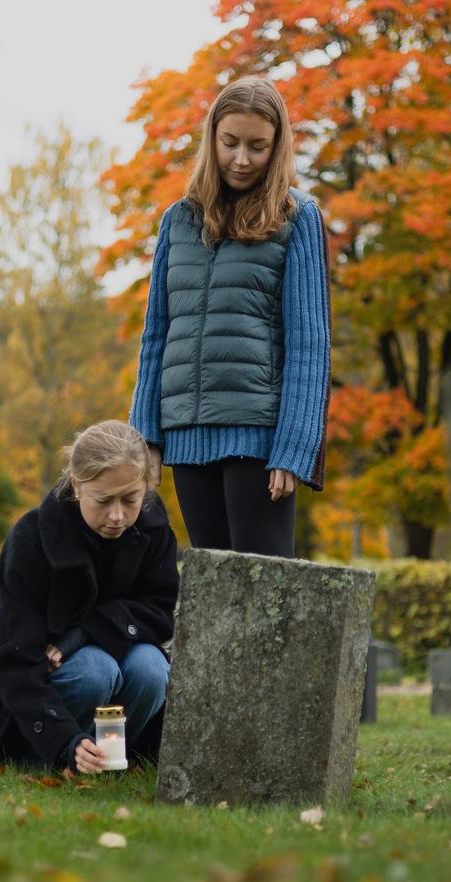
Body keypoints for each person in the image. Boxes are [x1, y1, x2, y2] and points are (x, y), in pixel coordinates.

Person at [128, 75, 331, 559]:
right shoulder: (178, 220)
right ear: (212, 139)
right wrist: (144, 435)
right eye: (230, 143)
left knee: (263, 591)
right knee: (211, 586)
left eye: (257, 147)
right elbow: (156, 335)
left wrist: (294, 448)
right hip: (186, 435)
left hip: (259, 440)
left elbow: (309, 344)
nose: (242, 158)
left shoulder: (298, 217)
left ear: (277, 147)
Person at [0, 420, 179, 774]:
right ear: (76, 485)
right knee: (94, 670)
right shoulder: (31, 540)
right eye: (104, 500)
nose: (118, 516)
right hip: (27, 707)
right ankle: (52, 757)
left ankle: (111, 759)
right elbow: (11, 663)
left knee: (151, 667)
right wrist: (65, 741)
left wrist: (86, 631)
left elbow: (160, 614)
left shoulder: (153, 529)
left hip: (105, 670)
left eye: (131, 499)